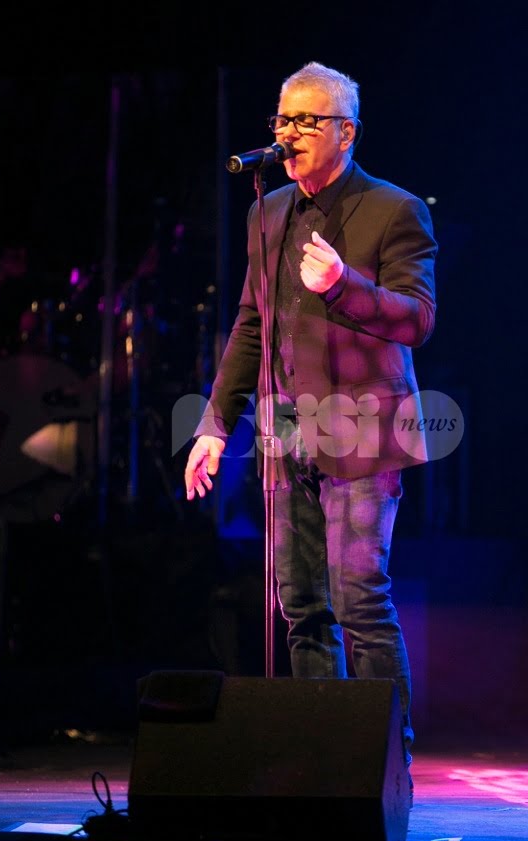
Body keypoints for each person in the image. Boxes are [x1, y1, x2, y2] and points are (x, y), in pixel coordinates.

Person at [184, 61, 438, 797]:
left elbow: (419, 319)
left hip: (364, 428)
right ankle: (317, 761)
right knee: (300, 606)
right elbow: (251, 324)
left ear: (346, 133)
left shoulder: (394, 210)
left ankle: (388, 765)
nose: (288, 134)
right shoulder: (267, 212)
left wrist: (343, 286)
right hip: (285, 430)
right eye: (282, 120)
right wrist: (213, 424)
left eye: (305, 120)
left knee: (359, 597)